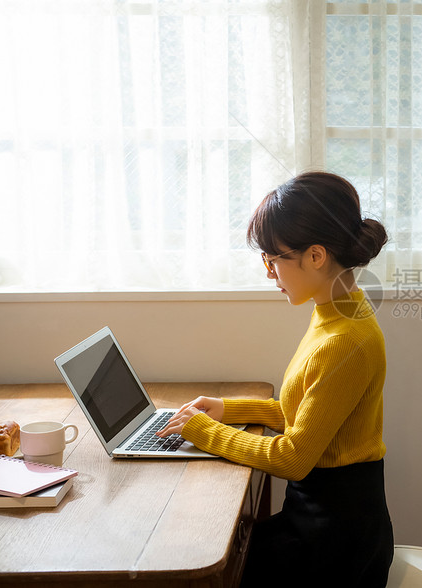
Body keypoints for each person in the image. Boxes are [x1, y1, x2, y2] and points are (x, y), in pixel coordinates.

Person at [157, 171, 393, 587]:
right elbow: (306, 412)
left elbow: (293, 458)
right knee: (224, 552)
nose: (269, 273)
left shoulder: (345, 340)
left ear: (316, 256)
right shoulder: (338, 313)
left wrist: (207, 433)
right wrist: (228, 410)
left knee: (211, 562)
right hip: (323, 520)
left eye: (273, 259)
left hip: (335, 542)